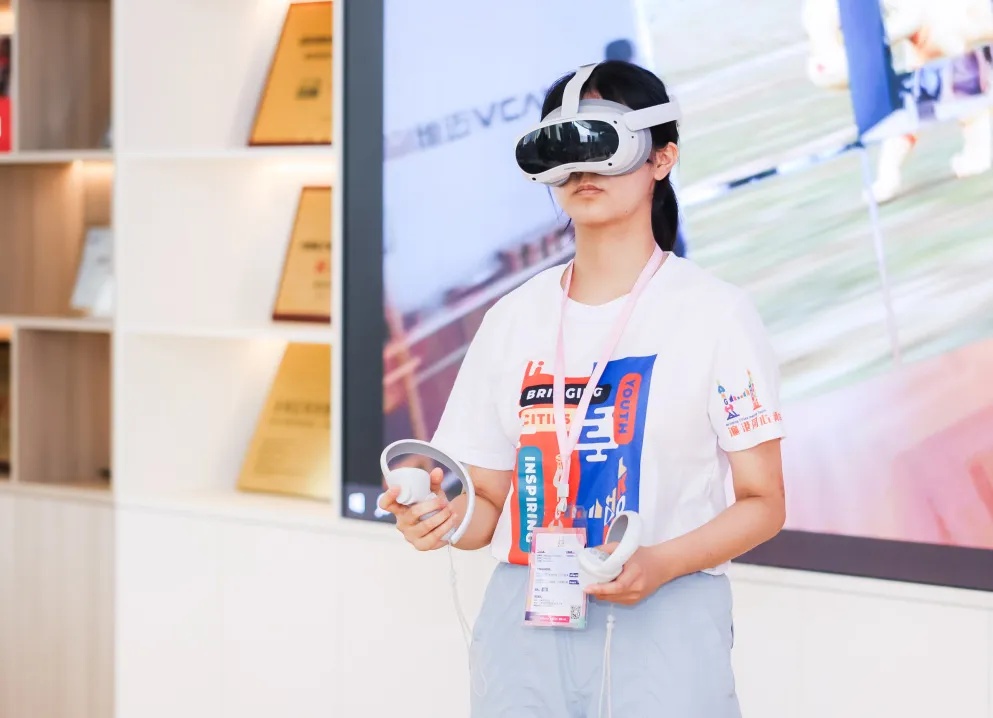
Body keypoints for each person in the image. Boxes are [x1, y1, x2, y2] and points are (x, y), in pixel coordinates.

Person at [378, 60, 786, 717]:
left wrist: (661, 563)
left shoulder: (714, 314)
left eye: (602, 141)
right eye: (562, 147)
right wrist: (441, 519)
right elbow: (486, 506)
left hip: (666, 608)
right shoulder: (513, 319)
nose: (581, 168)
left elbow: (763, 502)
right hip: (525, 614)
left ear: (661, 157)